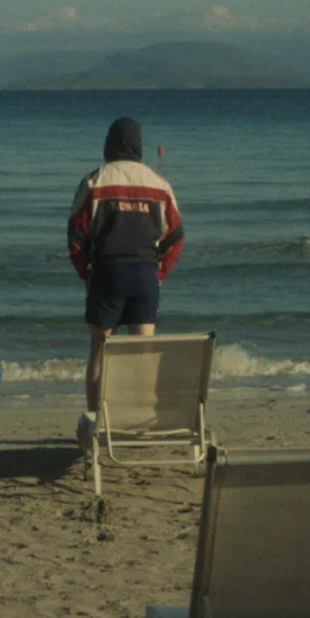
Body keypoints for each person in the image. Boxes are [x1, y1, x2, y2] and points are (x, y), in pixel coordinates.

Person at [67, 116, 184, 411]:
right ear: (138, 146)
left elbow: (76, 237)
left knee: (99, 351)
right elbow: (175, 238)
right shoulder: (159, 184)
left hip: (106, 273)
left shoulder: (94, 181)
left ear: (109, 145)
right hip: (145, 274)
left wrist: (85, 274)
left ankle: (96, 417)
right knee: (142, 354)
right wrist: (159, 274)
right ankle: (138, 416)